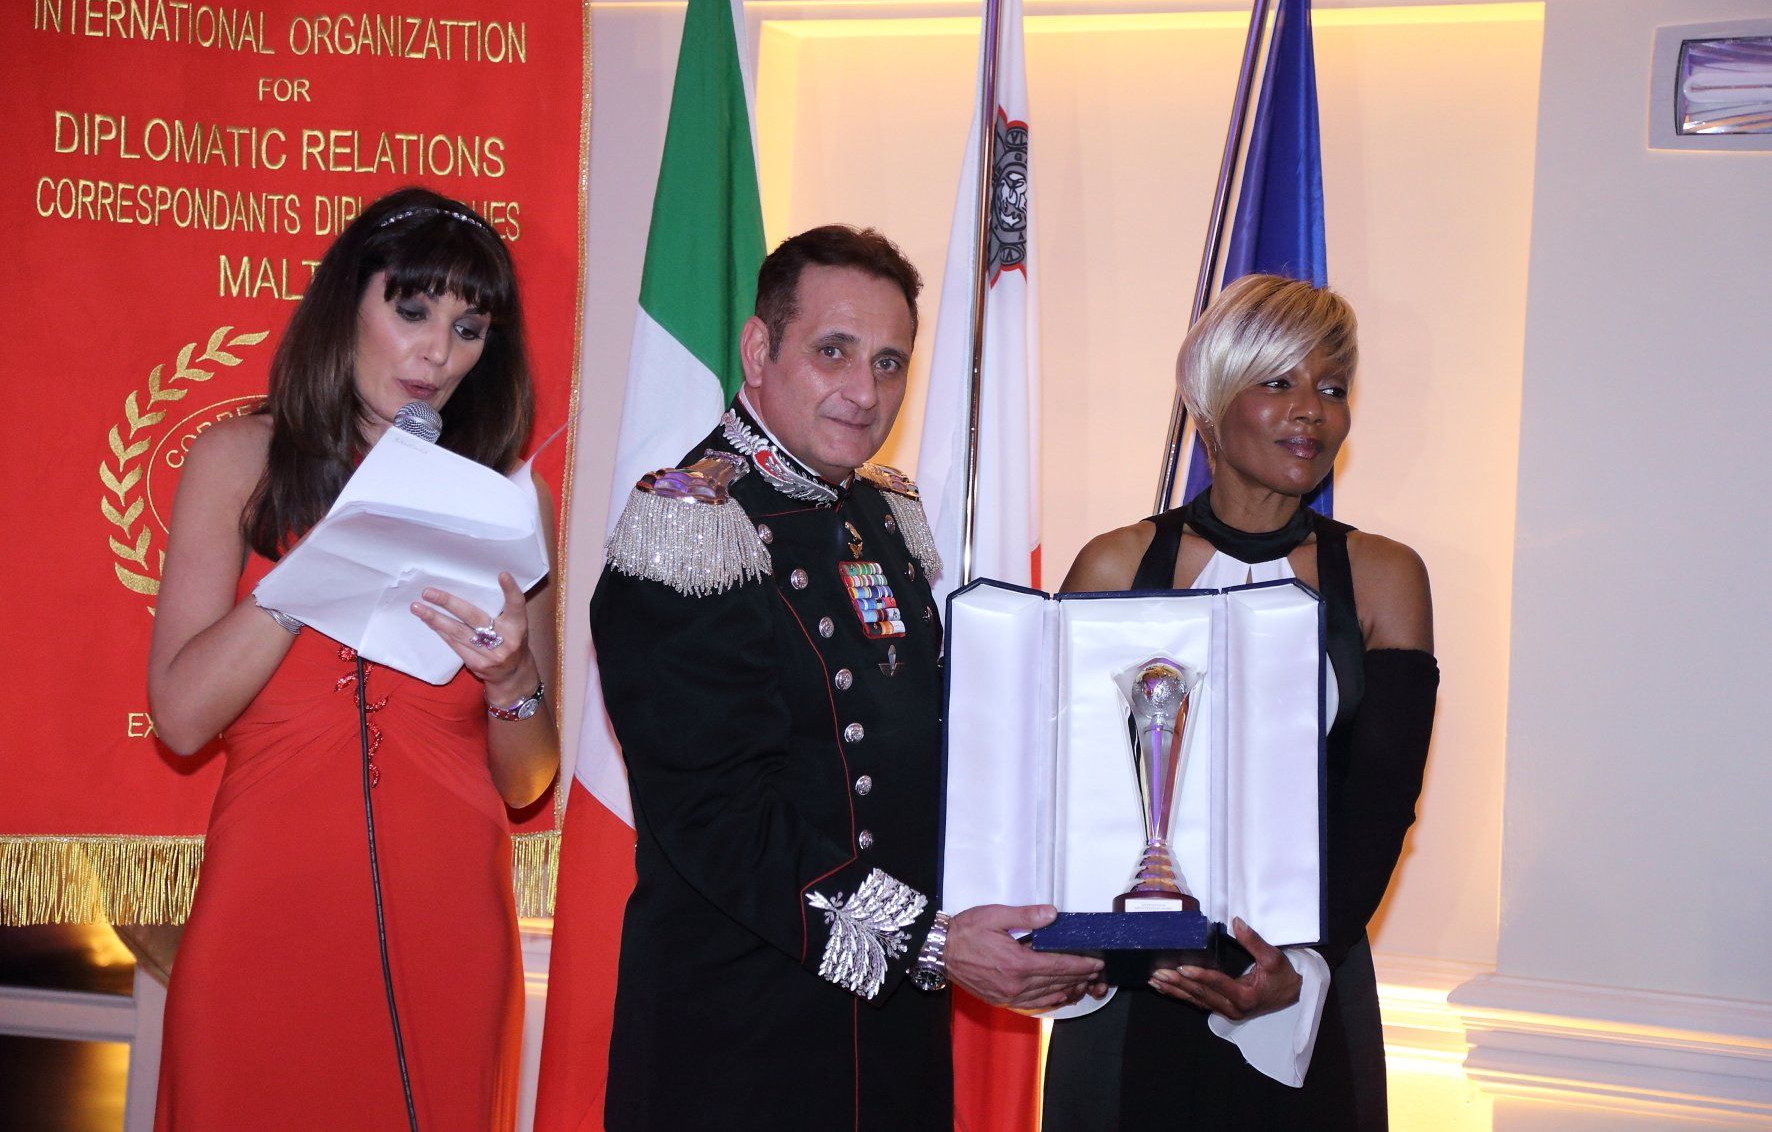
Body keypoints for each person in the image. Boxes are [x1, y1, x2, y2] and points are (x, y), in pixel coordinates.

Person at [590, 224, 1103, 1130]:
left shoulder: (882, 512)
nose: (865, 392)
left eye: (889, 362)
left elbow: (931, 759)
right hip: (746, 1041)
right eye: (834, 351)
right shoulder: (691, 527)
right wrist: (929, 942)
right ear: (758, 350)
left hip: (892, 1033)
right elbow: (721, 820)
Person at [147, 187, 558, 1131]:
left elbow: (528, 780)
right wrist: (328, 558)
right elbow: (180, 717)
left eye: (468, 329)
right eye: (412, 311)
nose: (437, 352)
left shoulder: (506, 501)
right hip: (264, 907)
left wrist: (512, 679)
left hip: (447, 920)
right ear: (348, 305)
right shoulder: (236, 458)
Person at [1042, 274, 1438, 1131]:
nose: (1312, 411)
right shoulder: (1115, 564)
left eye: (1333, 387)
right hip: (1130, 984)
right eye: (1279, 381)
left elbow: (1381, 804)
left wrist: (1302, 964)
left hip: (1307, 985)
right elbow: (1060, 788)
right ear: (1210, 402)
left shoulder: (1384, 576)